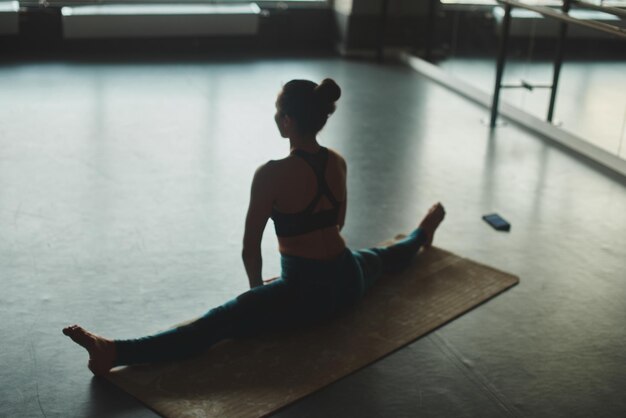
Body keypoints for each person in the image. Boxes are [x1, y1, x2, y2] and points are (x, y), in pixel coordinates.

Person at [63, 78, 445, 376]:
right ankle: (422, 233)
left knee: (219, 321)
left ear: (289, 121)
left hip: (305, 294)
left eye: (278, 114)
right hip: (348, 281)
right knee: (384, 256)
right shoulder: (338, 162)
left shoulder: (271, 174)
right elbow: (339, 221)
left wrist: (258, 297)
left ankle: (115, 351)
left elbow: (250, 248)